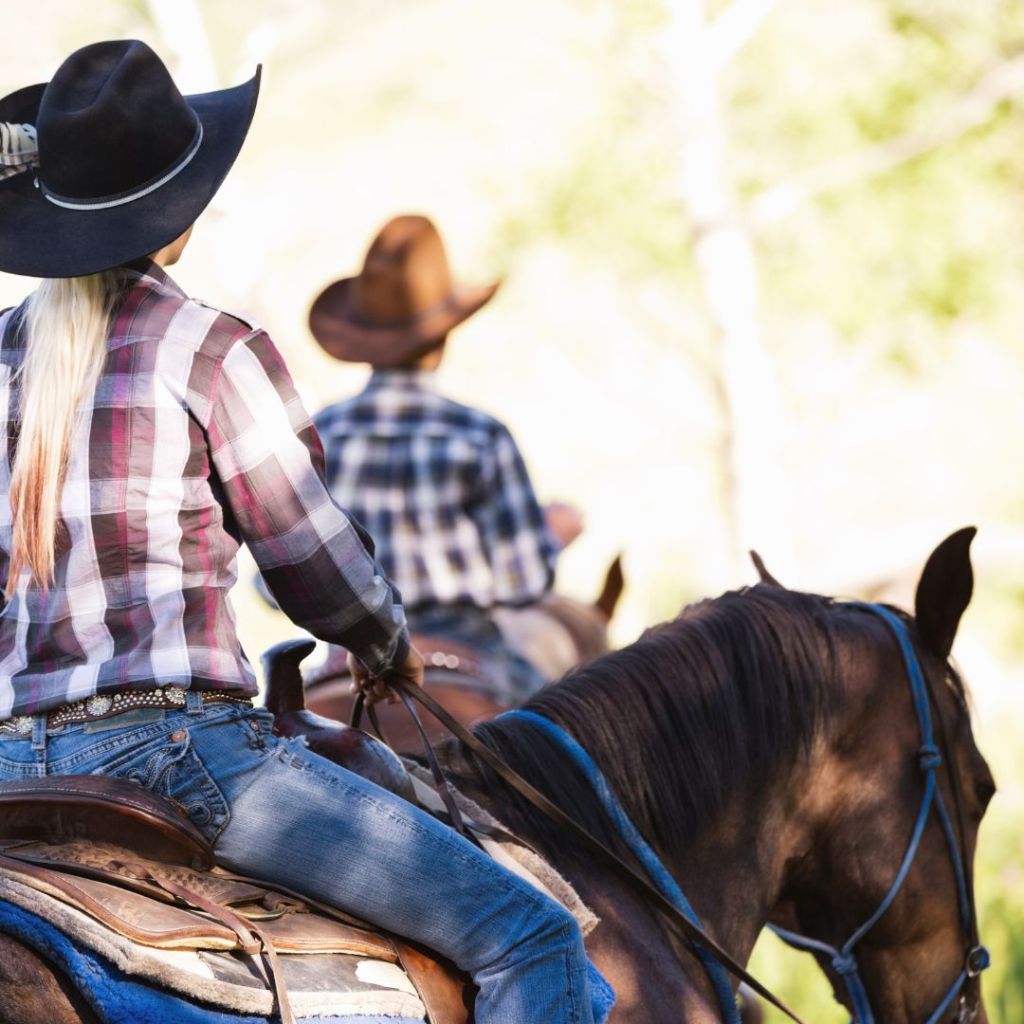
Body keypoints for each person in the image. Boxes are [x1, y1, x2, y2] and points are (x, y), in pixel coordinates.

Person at [0, 40, 597, 1024]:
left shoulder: (10, 355)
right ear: (176, 216)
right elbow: (306, 561)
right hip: (182, 756)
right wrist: (384, 644)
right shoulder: (208, 347)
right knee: (532, 933)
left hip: (17, 762)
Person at [308, 215, 583, 699]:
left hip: (349, 657)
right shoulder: (479, 435)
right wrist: (552, 537)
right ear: (442, 338)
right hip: (466, 644)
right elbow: (526, 582)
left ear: (363, 339)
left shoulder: (321, 433)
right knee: (571, 739)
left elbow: (277, 584)